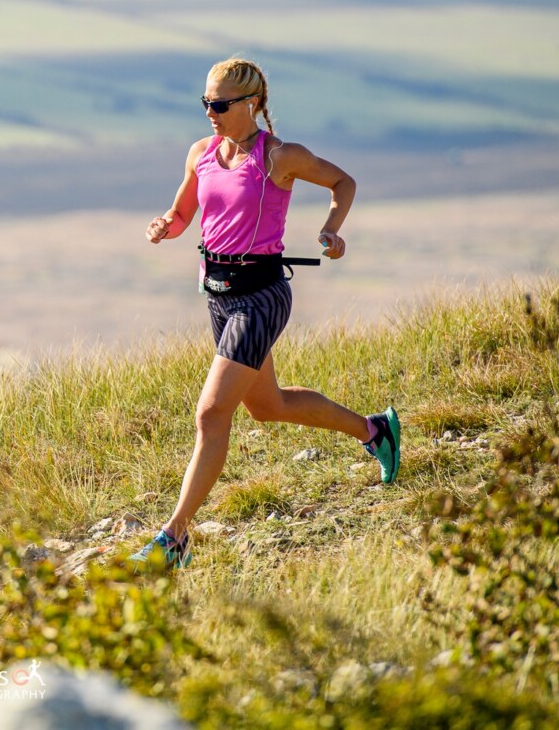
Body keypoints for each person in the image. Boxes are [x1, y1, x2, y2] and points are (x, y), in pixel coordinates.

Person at [128, 57, 400, 571]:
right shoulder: (201, 153)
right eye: (205, 102)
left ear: (250, 104)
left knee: (211, 413)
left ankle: (174, 538)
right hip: (218, 295)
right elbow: (185, 212)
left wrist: (333, 229)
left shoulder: (280, 157)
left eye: (219, 104)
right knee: (267, 405)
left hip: (261, 297)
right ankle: (375, 431)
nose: (210, 112)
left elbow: (344, 183)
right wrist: (164, 224)